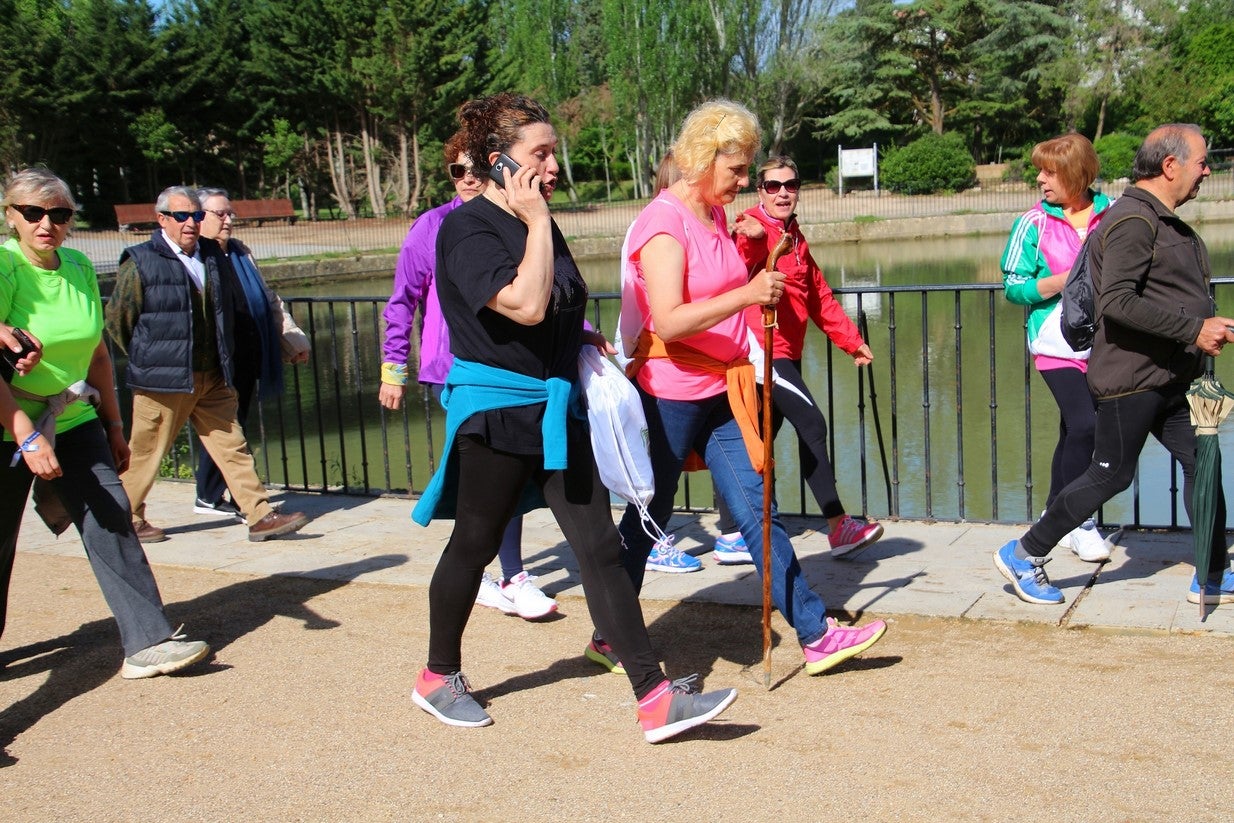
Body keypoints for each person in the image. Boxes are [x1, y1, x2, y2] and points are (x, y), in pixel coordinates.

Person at [410, 93, 737, 742]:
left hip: (560, 410)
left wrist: (583, 339)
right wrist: (534, 220)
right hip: (497, 414)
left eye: (553, 150)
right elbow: (526, 305)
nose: (554, 164)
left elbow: (560, 304)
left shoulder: (542, 222)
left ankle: (654, 698)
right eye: (540, 153)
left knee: (599, 550)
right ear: (500, 162)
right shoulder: (464, 228)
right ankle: (436, 674)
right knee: (473, 545)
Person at [598, 99, 887, 679]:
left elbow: (731, 282)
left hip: (724, 390)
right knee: (647, 515)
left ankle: (814, 634)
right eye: (734, 169)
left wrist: (755, 266)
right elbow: (673, 318)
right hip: (673, 391)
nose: (741, 181)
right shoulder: (663, 222)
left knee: (759, 510)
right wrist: (750, 295)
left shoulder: (712, 216)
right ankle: (610, 636)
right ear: (704, 160)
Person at [994, 123, 1234, 606]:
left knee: (1202, 462)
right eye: (1200, 162)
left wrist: (1203, 321)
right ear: (1170, 166)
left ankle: (1210, 574)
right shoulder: (1132, 221)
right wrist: (1193, 330)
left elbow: (1158, 293)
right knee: (1110, 474)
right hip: (1131, 378)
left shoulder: (1149, 217)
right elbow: (1118, 301)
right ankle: (1024, 553)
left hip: (1168, 376)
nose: (1207, 170)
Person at [0, 167, 209, 678]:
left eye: (59, 214)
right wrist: (26, 434)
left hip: (72, 417)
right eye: (33, 213)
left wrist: (114, 426)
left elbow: (95, 351)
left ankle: (148, 642)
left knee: (112, 519)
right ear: (12, 217)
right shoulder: (3, 267)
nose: (46, 223)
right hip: (8, 420)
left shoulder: (74, 264)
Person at [380, 132, 556, 620]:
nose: (467, 179)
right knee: (492, 473)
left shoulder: (516, 222)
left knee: (505, 474)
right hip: (455, 370)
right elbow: (401, 303)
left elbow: (548, 286)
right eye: (457, 172)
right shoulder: (433, 226)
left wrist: (581, 333)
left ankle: (505, 571)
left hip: (515, 366)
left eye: (474, 169)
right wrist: (393, 371)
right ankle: (501, 572)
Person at [105, 186, 309, 543]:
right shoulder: (140, 260)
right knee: (146, 452)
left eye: (196, 216)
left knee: (233, 446)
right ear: (162, 219)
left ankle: (260, 515)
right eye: (182, 216)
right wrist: (152, 357)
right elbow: (119, 321)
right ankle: (126, 519)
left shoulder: (212, 253)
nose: (190, 223)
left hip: (213, 375)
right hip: (163, 381)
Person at [710, 154, 883, 565]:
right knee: (812, 423)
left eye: (790, 184)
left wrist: (851, 342)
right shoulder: (752, 225)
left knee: (759, 439)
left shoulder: (795, 236)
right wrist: (754, 236)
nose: (783, 192)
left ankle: (734, 529)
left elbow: (818, 295)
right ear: (761, 191)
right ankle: (838, 525)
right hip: (760, 351)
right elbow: (742, 260)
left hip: (787, 352)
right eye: (773, 186)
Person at [1001, 134, 1113, 563]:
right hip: (1054, 341)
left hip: (1104, 342)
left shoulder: (1114, 214)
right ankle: (1079, 522)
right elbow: (1013, 288)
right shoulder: (1033, 223)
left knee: (1073, 430)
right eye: (1040, 170)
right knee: (1086, 426)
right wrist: (1068, 279)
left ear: (1076, 173)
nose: (1040, 179)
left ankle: (1054, 512)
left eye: (1050, 171)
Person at [191, 187, 311, 520]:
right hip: (216, 359)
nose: (228, 219)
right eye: (220, 213)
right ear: (200, 218)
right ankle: (225, 499)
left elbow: (267, 299)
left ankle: (210, 494)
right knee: (223, 430)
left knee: (233, 425)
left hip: (246, 354)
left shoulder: (240, 253)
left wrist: (293, 340)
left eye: (230, 213)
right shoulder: (199, 256)